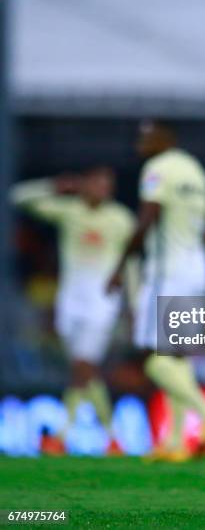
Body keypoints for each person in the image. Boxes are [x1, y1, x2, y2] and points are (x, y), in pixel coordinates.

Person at [107, 119, 205, 461]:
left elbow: (146, 219)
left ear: (165, 139)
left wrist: (119, 268)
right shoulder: (195, 172)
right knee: (176, 356)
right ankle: (175, 441)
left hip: (168, 272)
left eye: (145, 139)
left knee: (151, 359)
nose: (140, 147)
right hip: (196, 268)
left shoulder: (158, 169)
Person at [11, 166, 137, 454]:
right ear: (85, 184)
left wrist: (134, 301)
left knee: (84, 366)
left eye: (107, 184)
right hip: (70, 301)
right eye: (97, 183)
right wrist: (54, 184)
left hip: (102, 301)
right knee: (82, 371)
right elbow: (18, 198)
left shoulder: (120, 219)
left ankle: (63, 436)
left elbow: (130, 263)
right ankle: (112, 439)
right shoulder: (69, 211)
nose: (103, 189)